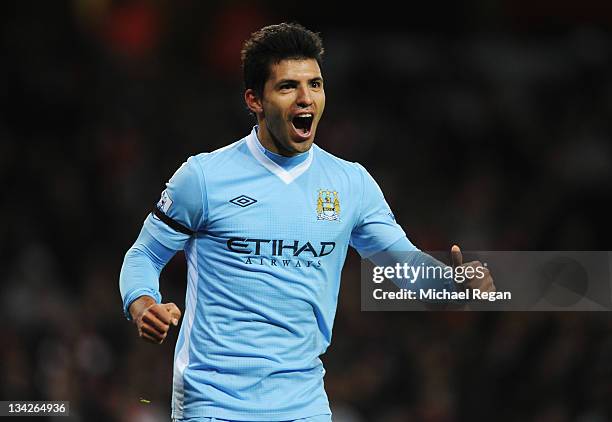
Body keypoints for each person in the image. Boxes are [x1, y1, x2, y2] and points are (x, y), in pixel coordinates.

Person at [119, 22, 494, 422]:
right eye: (287, 87)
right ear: (254, 99)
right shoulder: (204, 178)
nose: (306, 98)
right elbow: (144, 254)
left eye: (314, 84)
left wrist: (451, 283)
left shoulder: (351, 184)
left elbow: (402, 265)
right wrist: (142, 304)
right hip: (213, 404)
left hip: (304, 405)